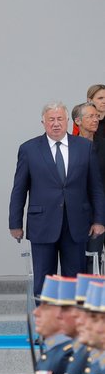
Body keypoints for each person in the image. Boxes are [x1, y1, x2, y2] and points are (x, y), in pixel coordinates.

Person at [9, 101, 105, 297]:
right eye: (51, 119)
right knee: (44, 280)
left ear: (68, 121)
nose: (55, 123)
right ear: (43, 122)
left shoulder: (85, 147)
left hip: (77, 224)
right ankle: (46, 325)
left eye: (60, 119)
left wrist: (99, 220)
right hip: (42, 223)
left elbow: (95, 187)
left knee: (75, 279)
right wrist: (15, 223)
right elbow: (19, 189)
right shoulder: (29, 149)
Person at [74, 101, 105, 271]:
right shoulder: (68, 146)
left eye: (97, 116)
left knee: (93, 259)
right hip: (73, 212)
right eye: (91, 116)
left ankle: (91, 298)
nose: (95, 120)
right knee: (74, 260)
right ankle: (76, 297)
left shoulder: (103, 145)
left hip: (98, 212)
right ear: (78, 121)